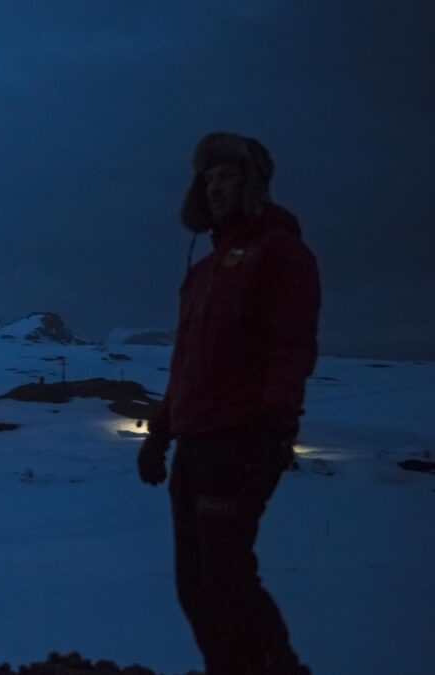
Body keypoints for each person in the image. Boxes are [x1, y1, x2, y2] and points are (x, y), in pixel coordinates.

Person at [138, 132, 320, 674]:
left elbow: (290, 348)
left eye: (227, 176)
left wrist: (274, 430)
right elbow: (188, 361)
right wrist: (160, 434)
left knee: (227, 576)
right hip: (194, 446)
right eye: (207, 179)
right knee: (194, 581)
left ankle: (273, 667)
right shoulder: (203, 271)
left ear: (252, 183)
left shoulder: (281, 254)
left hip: (238, 440)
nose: (215, 188)